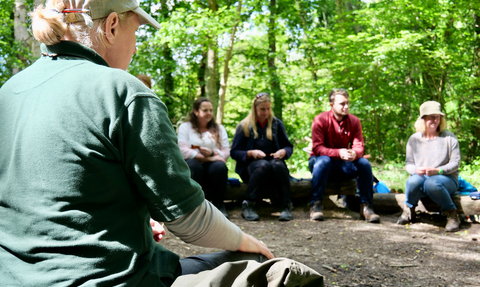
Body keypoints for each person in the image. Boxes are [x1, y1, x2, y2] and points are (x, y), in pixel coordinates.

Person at [0, 1, 324, 286]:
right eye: (136, 31)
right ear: (112, 25)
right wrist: (245, 239)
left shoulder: (9, 93)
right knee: (271, 270)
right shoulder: (124, 93)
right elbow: (190, 221)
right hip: (110, 279)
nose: (137, 46)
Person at [309, 88, 380, 223]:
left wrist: (355, 153)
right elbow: (317, 148)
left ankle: (366, 207)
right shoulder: (320, 120)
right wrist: (338, 152)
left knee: (364, 164)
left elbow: (359, 146)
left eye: (347, 103)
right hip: (320, 163)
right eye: (342, 104)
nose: (346, 106)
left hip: (343, 163)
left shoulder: (354, 121)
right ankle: (315, 205)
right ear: (332, 105)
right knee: (323, 161)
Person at [397, 101, 461, 232]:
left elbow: (455, 163)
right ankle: (409, 209)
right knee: (413, 180)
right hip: (422, 178)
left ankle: (452, 214)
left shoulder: (449, 137)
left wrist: (439, 170)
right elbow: (408, 164)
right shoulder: (414, 139)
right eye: (431, 116)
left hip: (446, 179)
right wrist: (416, 170)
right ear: (423, 119)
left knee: (432, 183)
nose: (435, 120)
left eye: (438, 117)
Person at [231, 93, 294, 222]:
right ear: (255, 108)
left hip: (274, 166)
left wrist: (283, 152)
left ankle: (286, 205)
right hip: (252, 167)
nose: (266, 112)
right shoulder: (244, 126)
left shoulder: (276, 124)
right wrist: (250, 153)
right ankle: (248, 204)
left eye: (268, 109)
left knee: (277, 165)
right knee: (263, 165)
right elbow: (234, 152)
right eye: (262, 109)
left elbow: (288, 147)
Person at [178, 97, 230, 218]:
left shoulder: (219, 128)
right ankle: (194, 207)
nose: (209, 113)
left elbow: (226, 151)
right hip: (193, 162)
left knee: (220, 167)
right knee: (193, 166)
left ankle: (219, 205)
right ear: (196, 111)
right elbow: (182, 150)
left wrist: (212, 153)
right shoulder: (185, 127)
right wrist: (207, 158)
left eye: (211, 110)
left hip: (213, 164)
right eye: (205, 110)